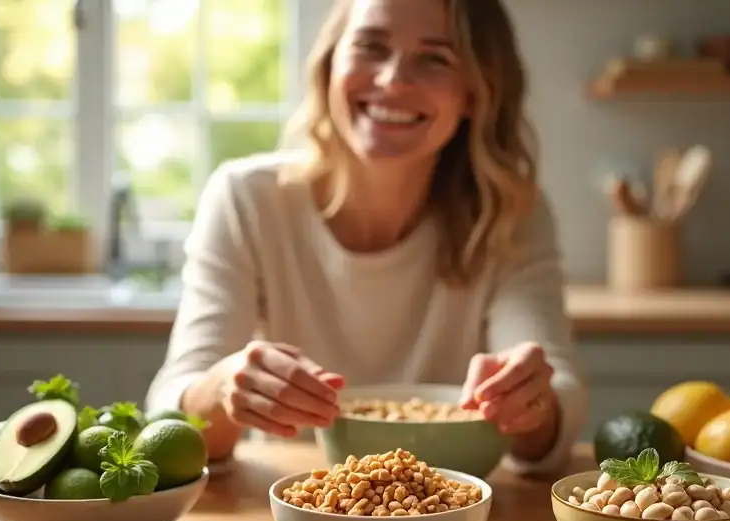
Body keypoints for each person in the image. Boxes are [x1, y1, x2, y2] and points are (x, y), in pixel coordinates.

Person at [146, 0, 588, 475]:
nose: (393, 80)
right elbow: (169, 419)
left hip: (456, 513)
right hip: (287, 504)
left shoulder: (510, 213)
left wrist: (528, 401)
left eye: (435, 59)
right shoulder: (246, 200)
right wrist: (223, 388)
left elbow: (554, 411)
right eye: (370, 47)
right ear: (330, 64)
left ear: (477, 94)